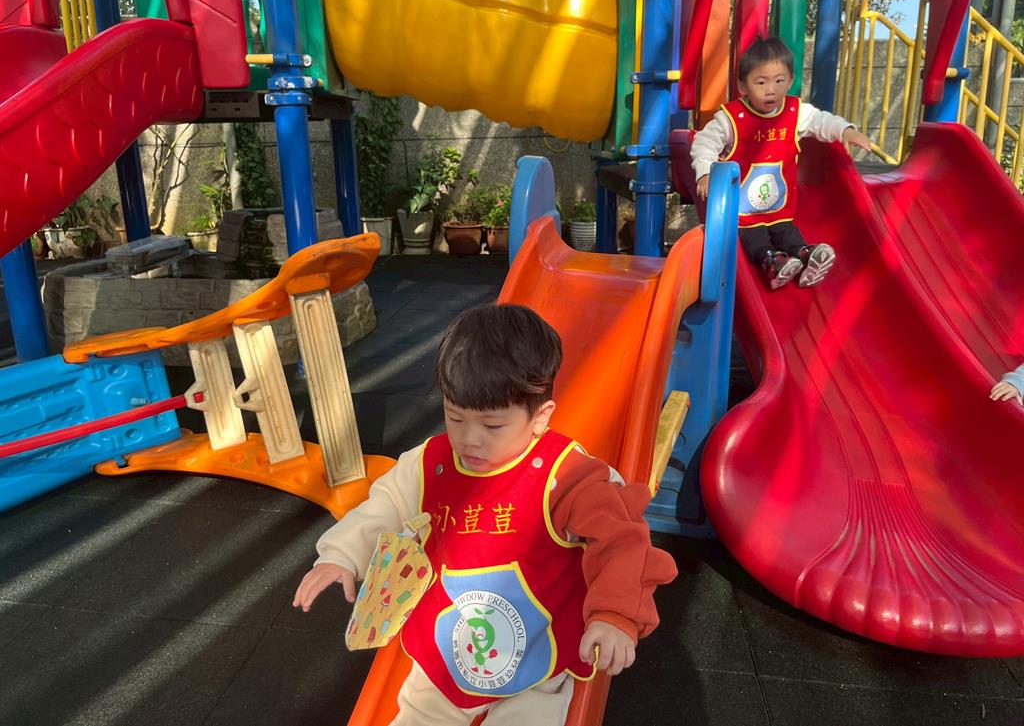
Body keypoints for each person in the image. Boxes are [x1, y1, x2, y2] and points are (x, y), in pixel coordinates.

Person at [293, 303, 677, 725]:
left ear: (540, 418)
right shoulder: (432, 464)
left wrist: (615, 614)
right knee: (418, 713)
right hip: (446, 657)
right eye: (455, 418)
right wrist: (341, 555)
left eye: (492, 426)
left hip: (536, 659)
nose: (469, 440)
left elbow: (622, 540)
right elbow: (386, 505)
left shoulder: (564, 476)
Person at [691, 36, 872, 290]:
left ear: (790, 80)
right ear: (743, 86)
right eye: (761, 82)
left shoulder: (795, 112)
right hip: (743, 214)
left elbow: (821, 121)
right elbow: (704, 142)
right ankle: (773, 262)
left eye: (779, 81)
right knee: (753, 237)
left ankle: (806, 255)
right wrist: (705, 172)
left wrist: (845, 131)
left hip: (779, 209)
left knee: (787, 231)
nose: (771, 90)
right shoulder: (731, 118)